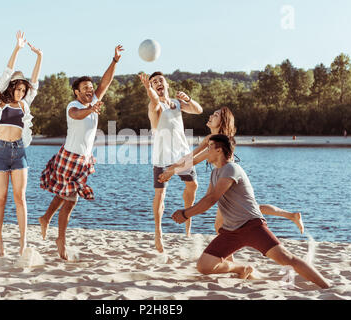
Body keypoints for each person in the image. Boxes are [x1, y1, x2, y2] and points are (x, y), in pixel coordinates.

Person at [172, 135, 330, 289]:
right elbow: (207, 198)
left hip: (252, 227)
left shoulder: (231, 168)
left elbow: (212, 199)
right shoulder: (215, 173)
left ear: (219, 150)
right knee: (204, 266)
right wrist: (187, 211)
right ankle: (242, 269)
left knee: (287, 259)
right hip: (230, 231)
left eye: (209, 147)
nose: (206, 151)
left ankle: (327, 287)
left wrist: (186, 214)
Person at [159, 107, 304, 234]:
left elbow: (195, 161)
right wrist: (170, 168)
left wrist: (171, 172)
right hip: (218, 176)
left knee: (222, 224)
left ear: (222, 122)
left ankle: (228, 260)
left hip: (227, 179)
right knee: (237, 215)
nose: (210, 116)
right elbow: (190, 156)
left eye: (215, 116)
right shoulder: (210, 138)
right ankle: (291, 216)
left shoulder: (221, 141)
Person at [39, 45, 124, 260]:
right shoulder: (73, 105)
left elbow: (106, 81)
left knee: (65, 195)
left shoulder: (94, 100)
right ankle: (61, 240)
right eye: (85, 87)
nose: (90, 89)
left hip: (83, 160)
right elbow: (77, 115)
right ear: (77, 92)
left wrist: (114, 60)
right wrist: (90, 110)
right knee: (71, 199)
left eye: (91, 87)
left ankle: (46, 218)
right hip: (68, 158)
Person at [0, 31, 43, 257]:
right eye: (17, 88)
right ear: (10, 87)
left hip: (19, 152)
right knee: (0, 198)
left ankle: (22, 243)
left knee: (20, 198)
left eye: (23, 89)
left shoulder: (25, 104)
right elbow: (7, 71)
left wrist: (39, 56)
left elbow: (36, 81)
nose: (20, 92)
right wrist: (17, 49)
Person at [138, 72, 203, 253]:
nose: (157, 83)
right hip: (162, 158)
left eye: (160, 81)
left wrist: (188, 99)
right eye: (153, 82)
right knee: (160, 194)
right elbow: (153, 98)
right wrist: (148, 88)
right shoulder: (155, 106)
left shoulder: (176, 103)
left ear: (167, 84)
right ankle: (158, 233)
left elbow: (198, 110)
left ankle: (188, 226)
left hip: (182, 155)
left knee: (193, 186)